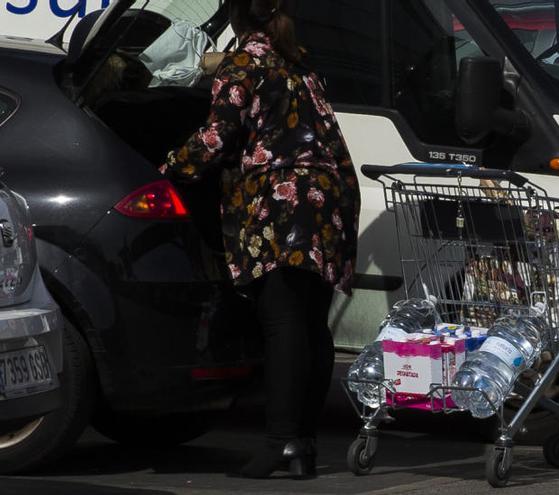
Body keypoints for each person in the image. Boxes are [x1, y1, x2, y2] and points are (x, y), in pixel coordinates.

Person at [161, 0, 360, 479]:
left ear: (236, 19)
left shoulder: (243, 64)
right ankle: (304, 445)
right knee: (312, 323)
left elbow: (216, 136)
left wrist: (168, 168)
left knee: (282, 323)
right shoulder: (300, 65)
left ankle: (278, 443)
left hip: (282, 200)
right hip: (328, 198)